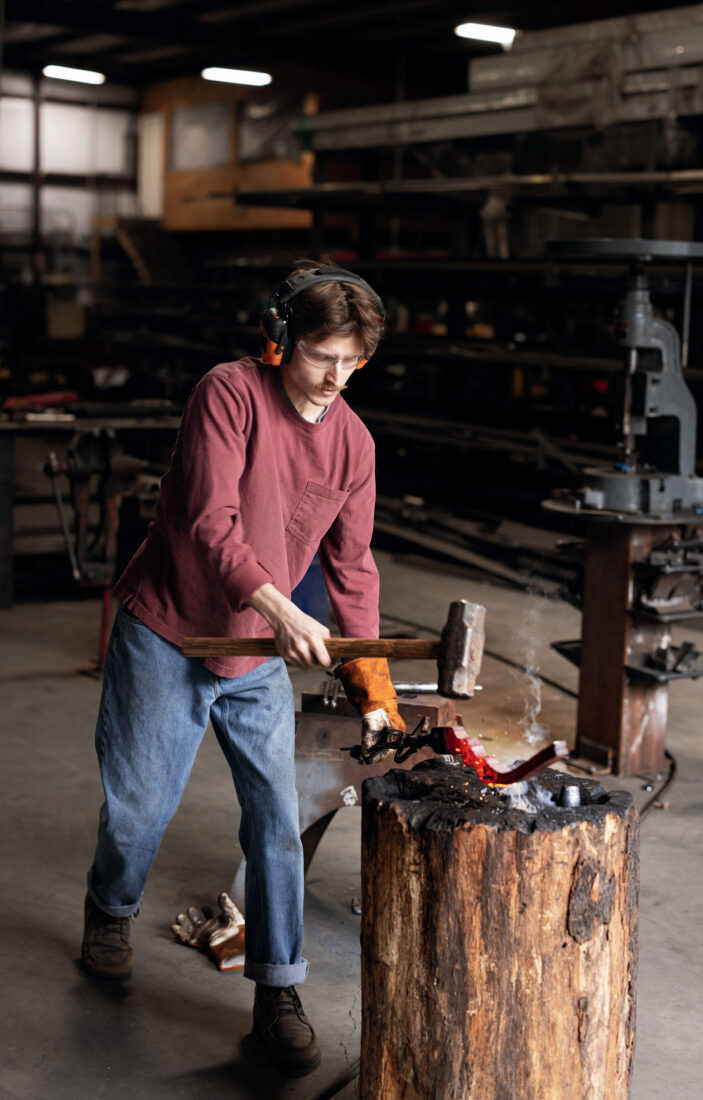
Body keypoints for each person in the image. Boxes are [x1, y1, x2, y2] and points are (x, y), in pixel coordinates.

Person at [80, 260, 405, 1077]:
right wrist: (282, 609)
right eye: (321, 355)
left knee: (275, 821)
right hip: (170, 630)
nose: (335, 377)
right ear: (280, 338)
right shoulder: (227, 394)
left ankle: (277, 989)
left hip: (254, 655)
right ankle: (110, 908)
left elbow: (352, 567)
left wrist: (371, 684)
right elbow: (207, 523)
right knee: (140, 809)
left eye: (352, 361)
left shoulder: (354, 443)